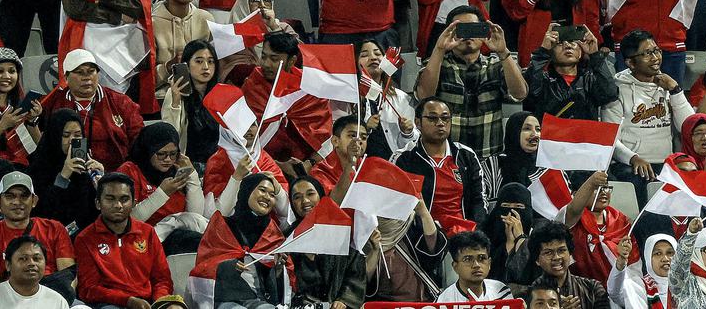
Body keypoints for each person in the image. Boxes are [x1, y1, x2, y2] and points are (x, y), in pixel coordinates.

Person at [415, 7, 527, 158]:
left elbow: (520, 94)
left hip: (489, 155)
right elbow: (424, 96)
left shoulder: (497, 64)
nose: (468, 36)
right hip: (448, 157)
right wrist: (439, 49)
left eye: (474, 29)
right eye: (462, 29)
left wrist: (503, 51)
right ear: (451, 32)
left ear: (483, 31)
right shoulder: (437, 64)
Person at [602, 28, 693, 203]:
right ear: (630, 62)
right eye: (647, 53)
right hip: (630, 165)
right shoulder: (616, 89)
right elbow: (611, 138)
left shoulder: (666, 84)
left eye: (657, 51)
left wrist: (675, 90)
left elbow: (689, 126)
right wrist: (633, 158)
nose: (655, 57)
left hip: (665, 162)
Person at [188, 173, 291, 307]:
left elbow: (281, 280)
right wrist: (227, 266)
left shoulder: (273, 234)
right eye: (262, 190)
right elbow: (203, 265)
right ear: (247, 190)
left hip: (258, 298)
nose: (267, 197)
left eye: (272, 195)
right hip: (224, 296)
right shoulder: (222, 225)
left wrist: (277, 269)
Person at [73, 172, 174, 308]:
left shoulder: (147, 232)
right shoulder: (85, 239)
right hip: (110, 304)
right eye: (110, 199)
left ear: (133, 203)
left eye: (124, 199)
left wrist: (160, 302)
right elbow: (88, 289)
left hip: (147, 302)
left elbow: (162, 279)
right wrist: (128, 300)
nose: (118, 205)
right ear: (98, 203)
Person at [394, 97, 486, 235]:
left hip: (464, 234)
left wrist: (474, 233)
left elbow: (479, 200)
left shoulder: (466, 156)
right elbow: (397, 205)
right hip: (421, 235)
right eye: (432, 118)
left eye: (445, 118)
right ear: (418, 123)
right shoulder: (404, 159)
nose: (440, 123)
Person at [41, 49, 144, 171]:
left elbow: (140, 142)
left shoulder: (121, 103)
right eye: (79, 72)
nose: (87, 78)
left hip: (115, 176)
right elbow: (42, 146)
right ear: (66, 77)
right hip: (65, 172)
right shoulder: (51, 103)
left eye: (91, 72)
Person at [239, 33, 331, 167]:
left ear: (292, 61)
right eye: (263, 56)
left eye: (274, 59)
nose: (266, 64)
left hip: (306, 169)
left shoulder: (310, 88)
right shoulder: (253, 84)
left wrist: (308, 165)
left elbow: (326, 142)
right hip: (258, 166)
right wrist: (276, 165)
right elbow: (240, 136)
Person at [287, 176, 378, 308]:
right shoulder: (288, 237)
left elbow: (355, 273)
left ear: (321, 197)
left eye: (310, 194)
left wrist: (344, 300)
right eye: (297, 197)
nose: (305, 201)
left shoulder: (340, 230)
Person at [0, 172, 74, 286]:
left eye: (24, 196)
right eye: (10, 196)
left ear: (34, 201)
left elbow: (67, 278)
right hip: (10, 299)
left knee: (80, 305)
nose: (17, 202)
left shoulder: (55, 229)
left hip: (54, 295)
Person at [26, 109, 104, 231]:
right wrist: (63, 176)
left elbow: (99, 211)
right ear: (55, 136)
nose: (72, 141)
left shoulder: (86, 168)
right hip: (50, 235)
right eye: (66, 135)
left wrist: (101, 181)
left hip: (86, 237)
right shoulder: (39, 167)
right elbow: (42, 211)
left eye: (78, 135)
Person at [115, 122, 205, 228]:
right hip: (143, 237)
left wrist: (192, 175)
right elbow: (126, 220)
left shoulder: (176, 170)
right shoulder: (130, 171)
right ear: (148, 150)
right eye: (161, 154)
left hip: (178, 234)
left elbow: (196, 216)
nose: (168, 159)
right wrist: (163, 193)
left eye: (173, 154)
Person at [524, 24, 618, 122]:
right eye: (560, 43)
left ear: (581, 52)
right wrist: (543, 51)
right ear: (550, 52)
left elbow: (610, 94)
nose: (568, 46)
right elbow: (527, 92)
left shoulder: (589, 79)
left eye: (572, 42)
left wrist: (595, 55)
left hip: (584, 136)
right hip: (550, 136)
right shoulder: (543, 80)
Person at [151, 0, 213, 94]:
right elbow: (143, 80)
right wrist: (168, 66)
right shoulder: (152, 23)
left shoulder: (206, 19)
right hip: (162, 96)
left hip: (200, 96)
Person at [514, 222, 609, 309]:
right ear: (537, 260)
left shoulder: (593, 289)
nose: (556, 257)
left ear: (570, 253)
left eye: (561, 250)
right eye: (548, 252)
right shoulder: (525, 296)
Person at [562, 171, 634, 284]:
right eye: (597, 188)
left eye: (606, 188)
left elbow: (634, 264)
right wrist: (591, 183)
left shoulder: (622, 221)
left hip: (619, 291)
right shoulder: (571, 219)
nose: (603, 193)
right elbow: (573, 209)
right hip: (582, 290)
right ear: (576, 194)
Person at [0, 237, 69, 309]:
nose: (31, 263)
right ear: (8, 265)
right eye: (23, 258)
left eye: (36, 258)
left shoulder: (58, 301)